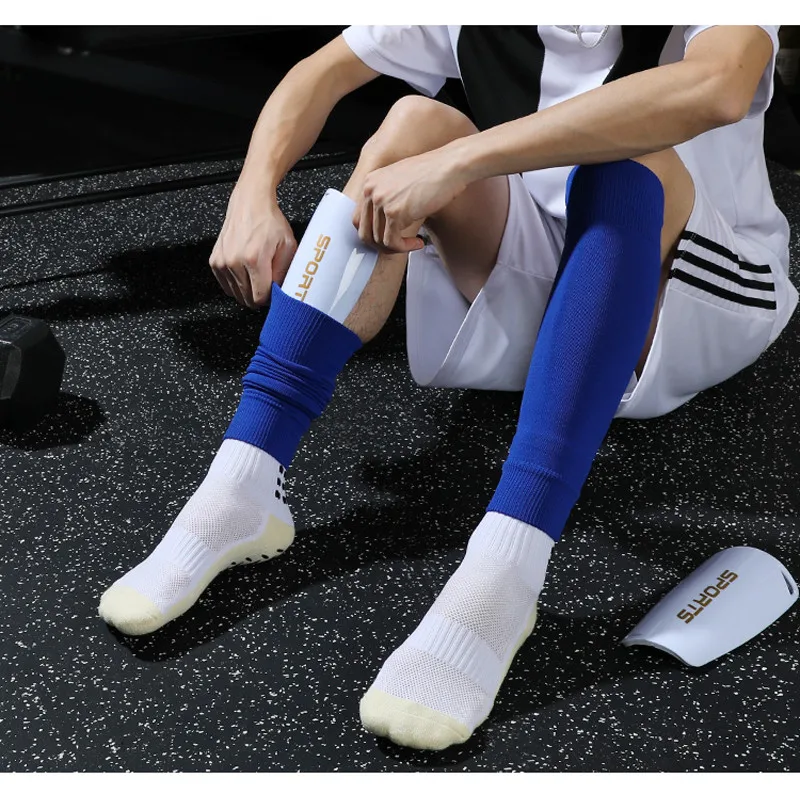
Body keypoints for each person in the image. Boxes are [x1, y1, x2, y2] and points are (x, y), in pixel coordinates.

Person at [97, 25, 796, 751]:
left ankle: (506, 571)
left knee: (623, 162)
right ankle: (244, 482)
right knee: (411, 125)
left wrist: (458, 161)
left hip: (699, 291)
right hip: (559, 276)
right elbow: (319, 71)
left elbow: (717, 87)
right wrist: (254, 192)